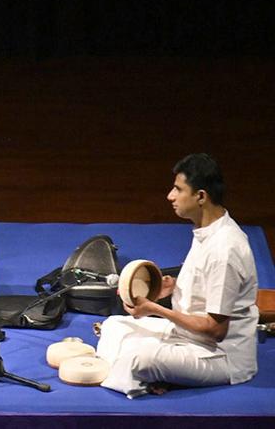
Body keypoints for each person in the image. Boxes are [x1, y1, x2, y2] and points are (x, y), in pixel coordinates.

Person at [96, 153, 258, 397]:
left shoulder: (226, 248)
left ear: (200, 196)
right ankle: (156, 373)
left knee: (140, 357)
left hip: (220, 354)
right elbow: (206, 285)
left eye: (177, 189)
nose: (170, 196)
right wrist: (175, 287)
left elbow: (216, 330)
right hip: (187, 335)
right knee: (114, 326)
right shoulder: (208, 230)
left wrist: (155, 309)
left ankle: (147, 375)